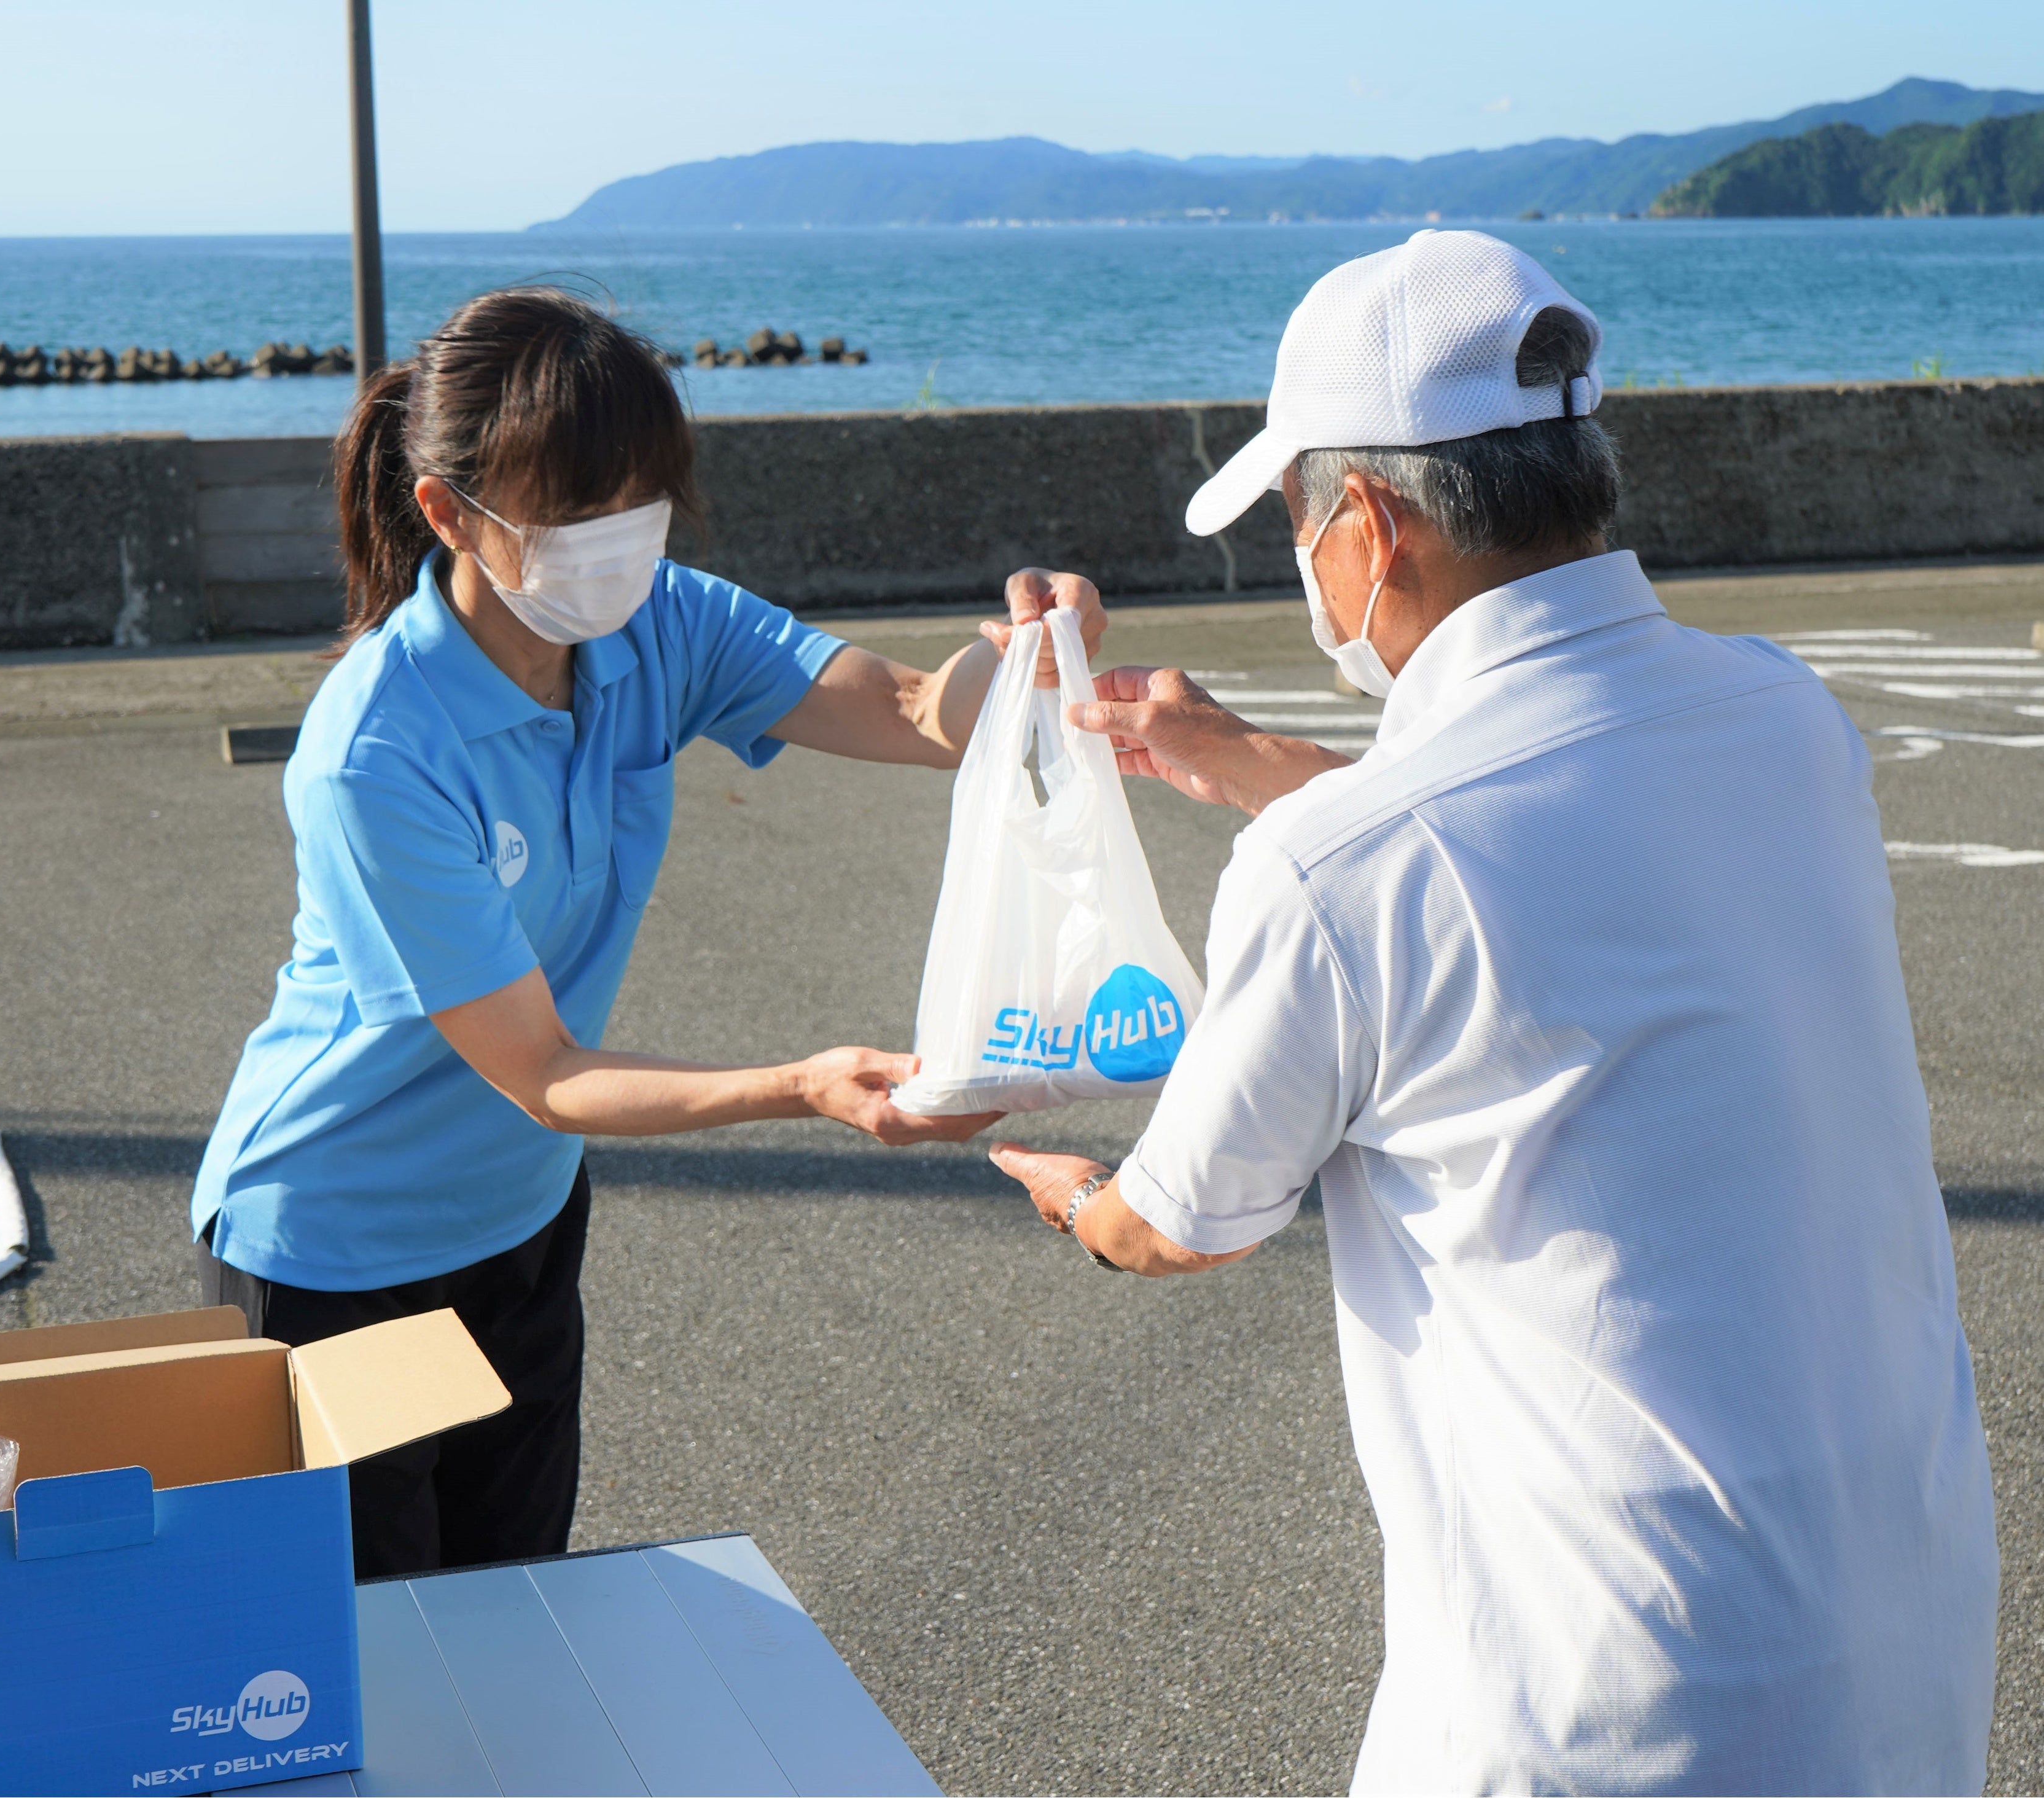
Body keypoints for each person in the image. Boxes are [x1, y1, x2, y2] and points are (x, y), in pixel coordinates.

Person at [989, 231, 1999, 1793]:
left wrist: (1076, 1198)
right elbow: (1555, 839)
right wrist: (1251, 760)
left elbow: (1184, 1219)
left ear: (1374, 529)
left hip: (1604, 1695)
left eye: (1297, 520)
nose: (1300, 561)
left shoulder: (1340, 865)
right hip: (1902, 1627)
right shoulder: (1784, 718)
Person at [192, 287, 1098, 1577]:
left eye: (638, 497)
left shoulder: (658, 622)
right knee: (367, 1675)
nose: (619, 541)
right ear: (451, 512)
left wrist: (1030, 663)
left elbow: (911, 711)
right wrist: (804, 1086)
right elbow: (545, 1071)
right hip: (336, 1252)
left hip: (520, 1222)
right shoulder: (377, 749)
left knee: (512, 1618)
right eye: (573, 510)